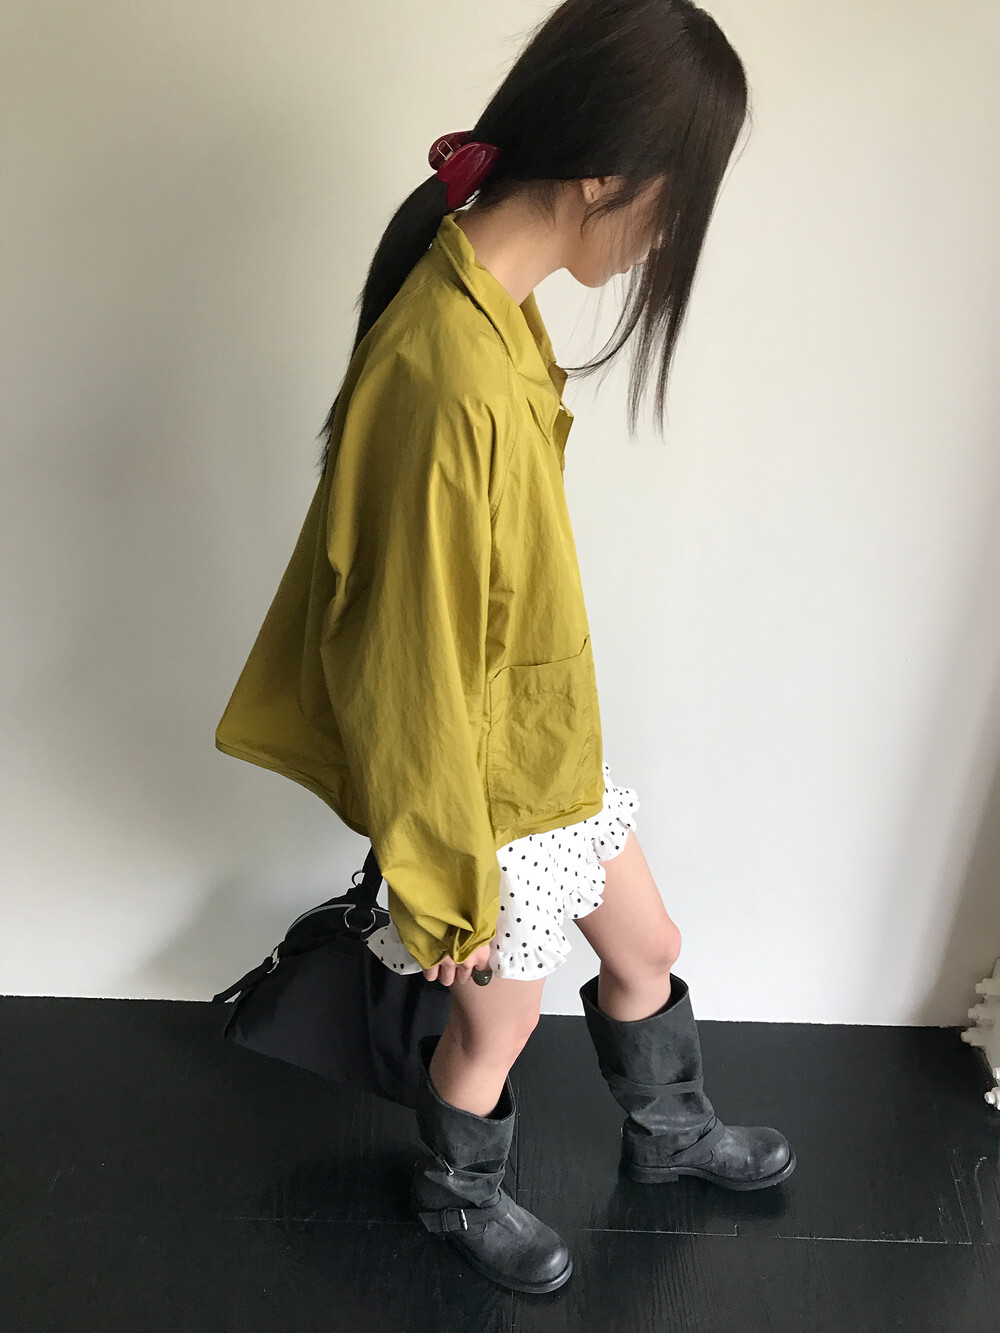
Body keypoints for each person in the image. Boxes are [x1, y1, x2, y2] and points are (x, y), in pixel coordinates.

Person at [215, 0, 795, 1297]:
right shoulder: (445, 371)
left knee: (646, 943)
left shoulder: (496, 306)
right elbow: (408, 659)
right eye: (674, 204)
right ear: (603, 175)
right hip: (482, 788)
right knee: (499, 1021)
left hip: (546, 750)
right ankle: (459, 1189)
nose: (667, 239)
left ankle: (667, 1128)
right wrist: (442, 882)